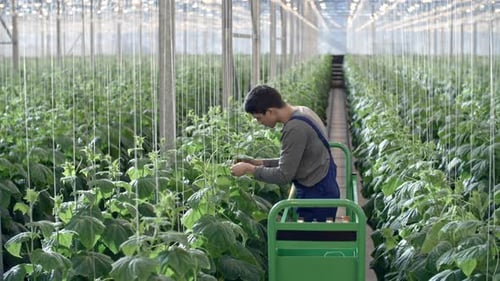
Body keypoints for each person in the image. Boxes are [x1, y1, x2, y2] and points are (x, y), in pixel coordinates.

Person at [230, 85, 340, 222]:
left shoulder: (295, 129)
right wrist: (258, 163)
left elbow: (284, 175)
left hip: (316, 196)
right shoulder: (303, 111)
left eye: (258, 118)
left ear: (270, 111)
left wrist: (249, 169)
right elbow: (295, 159)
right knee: (316, 239)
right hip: (321, 187)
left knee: (313, 240)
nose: (259, 123)